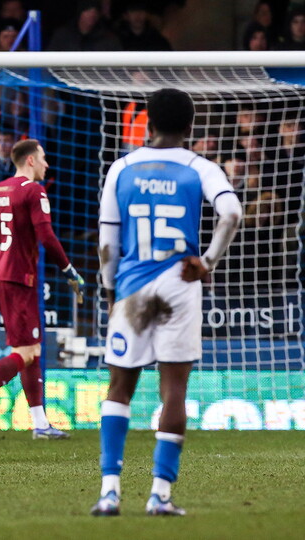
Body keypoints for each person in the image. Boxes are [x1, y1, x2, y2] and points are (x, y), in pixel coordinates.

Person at [90, 89, 242, 517]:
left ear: (148, 124)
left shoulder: (121, 169)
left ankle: (110, 492)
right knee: (173, 389)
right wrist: (207, 261)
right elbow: (231, 213)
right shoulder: (200, 167)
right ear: (190, 126)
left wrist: (108, 289)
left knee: (119, 388)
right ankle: (159, 495)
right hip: (179, 281)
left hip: (132, 286)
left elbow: (107, 241)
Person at [0, 138, 83, 441]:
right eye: (43, 159)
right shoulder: (34, 191)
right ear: (30, 161)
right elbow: (47, 236)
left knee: (31, 351)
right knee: (26, 352)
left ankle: (40, 423)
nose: (46, 165)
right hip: (19, 278)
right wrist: (69, 271)